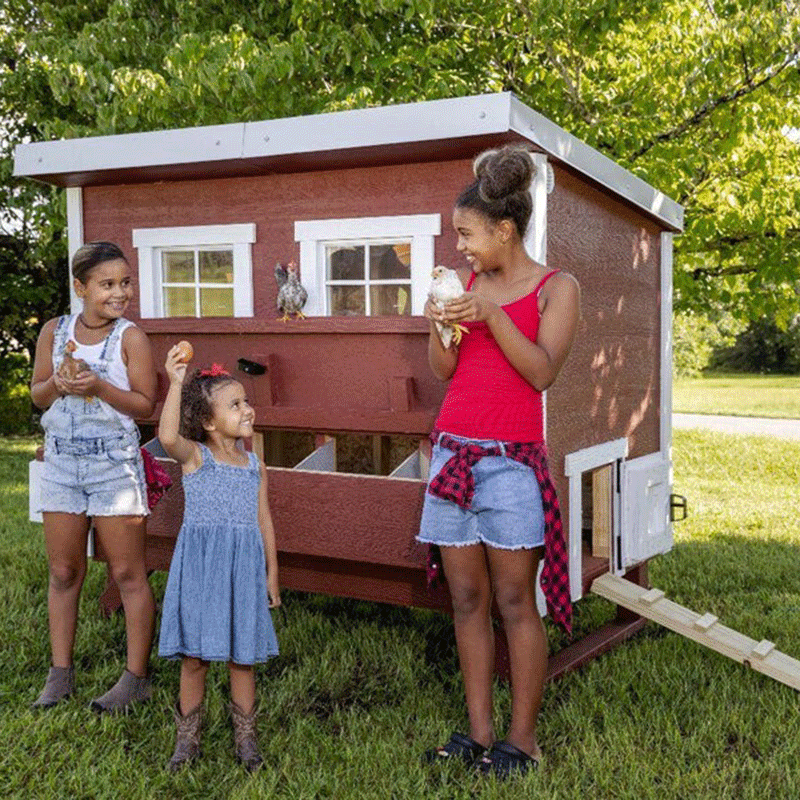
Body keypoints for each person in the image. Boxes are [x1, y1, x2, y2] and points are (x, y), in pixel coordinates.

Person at [418, 145, 580, 779]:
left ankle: (523, 739)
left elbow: (540, 372)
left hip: (512, 465)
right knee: (465, 599)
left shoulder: (555, 288)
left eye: (467, 234)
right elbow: (445, 373)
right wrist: (442, 327)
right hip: (453, 456)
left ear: (505, 230)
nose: (459, 246)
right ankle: (480, 734)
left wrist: (490, 316)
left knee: (516, 601)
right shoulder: (470, 288)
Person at [30, 241, 157, 712]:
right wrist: (59, 384)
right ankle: (59, 675)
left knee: (127, 571)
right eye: (107, 284)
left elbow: (145, 406)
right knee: (64, 572)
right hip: (62, 464)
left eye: (125, 282)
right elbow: (39, 397)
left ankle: (136, 677)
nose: (120, 292)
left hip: (113, 467)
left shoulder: (131, 338)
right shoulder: (53, 331)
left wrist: (100, 386)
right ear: (80, 287)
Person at [157, 352, 281, 773]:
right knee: (195, 657)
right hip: (203, 569)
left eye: (246, 401)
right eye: (235, 405)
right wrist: (175, 383)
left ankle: (246, 737)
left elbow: (263, 518)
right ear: (208, 423)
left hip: (244, 569)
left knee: (242, 655)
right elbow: (168, 436)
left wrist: (272, 573)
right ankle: (187, 739)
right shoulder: (196, 458)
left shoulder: (254, 464)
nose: (247, 410)